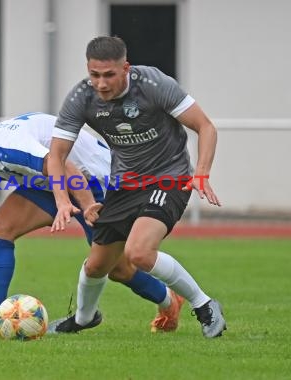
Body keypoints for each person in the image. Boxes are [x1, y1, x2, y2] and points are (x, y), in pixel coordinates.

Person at [0, 110, 186, 334]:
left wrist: (87, 204)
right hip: (53, 183)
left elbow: (67, 167)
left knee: (117, 269)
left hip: (95, 180)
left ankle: (169, 300)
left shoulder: (10, 145)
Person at [47, 36, 227, 338]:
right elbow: (57, 155)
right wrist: (62, 200)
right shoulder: (82, 96)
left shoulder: (153, 84)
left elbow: (205, 126)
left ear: (126, 68)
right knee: (96, 267)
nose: (101, 83)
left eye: (109, 75)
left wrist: (201, 173)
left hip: (168, 178)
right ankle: (83, 318)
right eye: (94, 75)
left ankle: (204, 305)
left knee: (139, 253)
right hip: (125, 185)